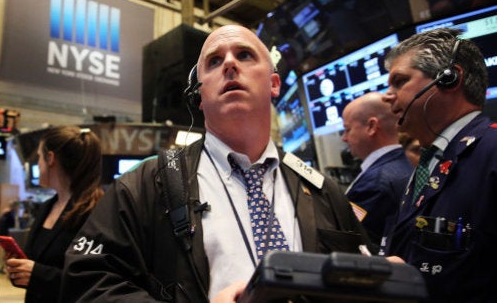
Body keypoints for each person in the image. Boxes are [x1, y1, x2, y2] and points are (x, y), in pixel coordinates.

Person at [61, 25, 369, 302]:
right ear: (200, 95)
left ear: (274, 84)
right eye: (214, 61)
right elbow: (86, 282)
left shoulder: (322, 191)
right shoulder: (144, 184)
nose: (230, 64)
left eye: (245, 55)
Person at [381, 27, 497, 302]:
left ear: (449, 79)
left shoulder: (492, 150)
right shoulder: (430, 160)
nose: (387, 95)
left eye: (399, 81)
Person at [5, 126, 104, 303]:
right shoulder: (46, 207)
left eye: (39, 157)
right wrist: (20, 268)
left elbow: (97, 281)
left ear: (50, 158)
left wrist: (38, 276)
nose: (38, 163)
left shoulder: (95, 212)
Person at [341, 92, 413, 244]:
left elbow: (352, 242)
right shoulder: (408, 164)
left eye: (347, 129)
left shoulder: (375, 183)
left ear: (371, 127)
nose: (344, 138)